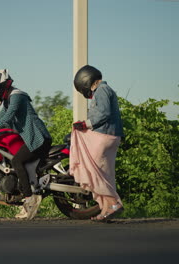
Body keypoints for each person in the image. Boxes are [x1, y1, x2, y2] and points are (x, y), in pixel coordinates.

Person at [0, 69, 52, 220]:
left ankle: (30, 199)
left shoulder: (17, 96)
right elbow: (0, 116)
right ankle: (27, 199)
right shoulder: (9, 99)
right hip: (32, 139)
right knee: (15, 160)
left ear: (1, 86)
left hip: (38, 138)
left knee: (16, 161)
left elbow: (9, 115)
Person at [70, 65, 124, 222]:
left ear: (86, 81)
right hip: (111, 135)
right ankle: (106, 209)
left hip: (104, 136)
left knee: (95, 172)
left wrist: (85, 124)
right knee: (105, 174)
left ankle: (114, 204)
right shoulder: (107, 90)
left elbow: (103, 113)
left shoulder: (101, 90)